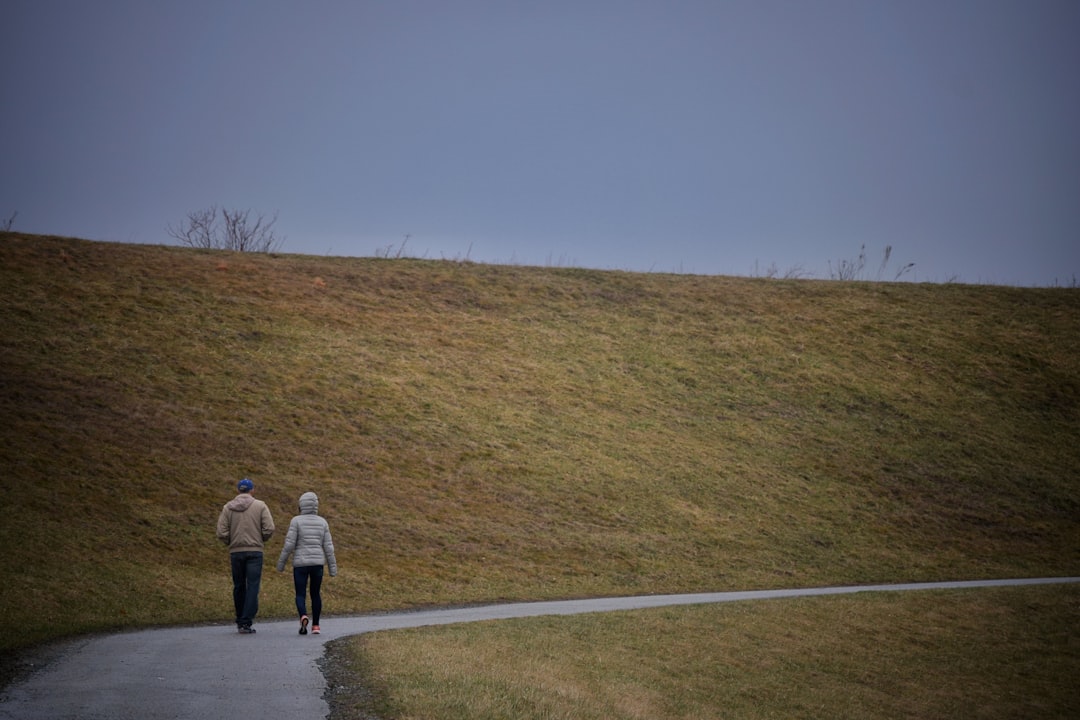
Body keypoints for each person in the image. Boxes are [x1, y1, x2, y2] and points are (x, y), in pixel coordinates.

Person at [216, 478, 275, 634]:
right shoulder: (260, 506)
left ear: (238, 490)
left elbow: (221, 532)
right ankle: (246, 621)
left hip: (236, 552)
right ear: (252, 490)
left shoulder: (228, 508)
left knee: (239, 586)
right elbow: (269, 528)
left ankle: (239, 619)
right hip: (255, 552)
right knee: (252, 586)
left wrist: (231, 542)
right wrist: (260, 539)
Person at [276, 491, 337, 635]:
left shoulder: (296, 521)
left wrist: (281, 563)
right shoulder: (323, 522)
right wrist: (332, 568)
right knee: (315, 593)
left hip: (300, 564)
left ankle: (303, 615)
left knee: (300, 594)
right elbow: (328, 546)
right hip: (317, 564)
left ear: (301, 505)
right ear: (316, 505)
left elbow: (289, 544)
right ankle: (316, 626)